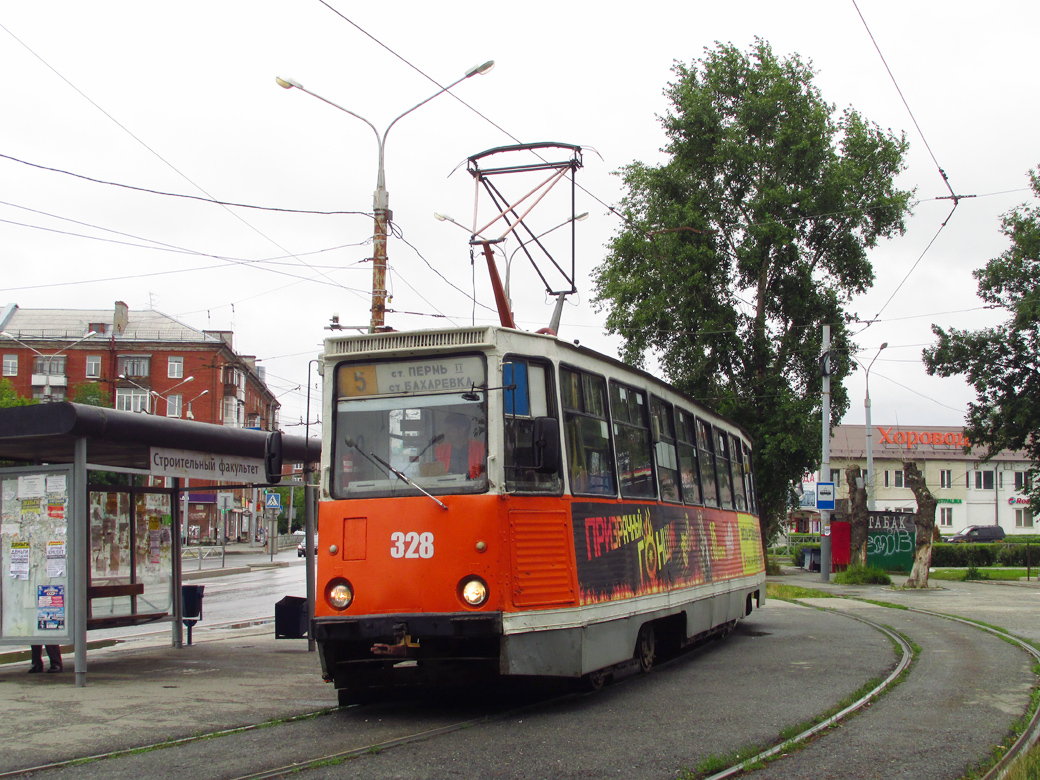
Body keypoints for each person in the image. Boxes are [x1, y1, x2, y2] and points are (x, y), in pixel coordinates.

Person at [434, 413, 486, 479]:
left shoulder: (480, 449)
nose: (446, 432)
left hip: (476, 488)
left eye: (450, 429)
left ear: (462, 430)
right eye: (446, 429)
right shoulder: (440, 451)